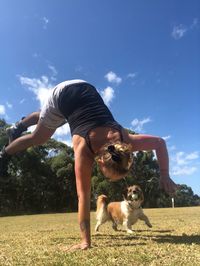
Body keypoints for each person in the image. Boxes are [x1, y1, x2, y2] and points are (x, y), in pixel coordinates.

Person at [0, 79, 177, 251]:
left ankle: (18, 126)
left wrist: (164, 173)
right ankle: (4, 152)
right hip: (62, 96)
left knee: (53, 118)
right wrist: (86, 241)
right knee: (39, 137)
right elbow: (83, 197)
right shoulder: (84, 149)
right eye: (107, 175)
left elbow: (159, 142)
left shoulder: (125, 140)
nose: (106, 179)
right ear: (100, 161)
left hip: (85, 88)